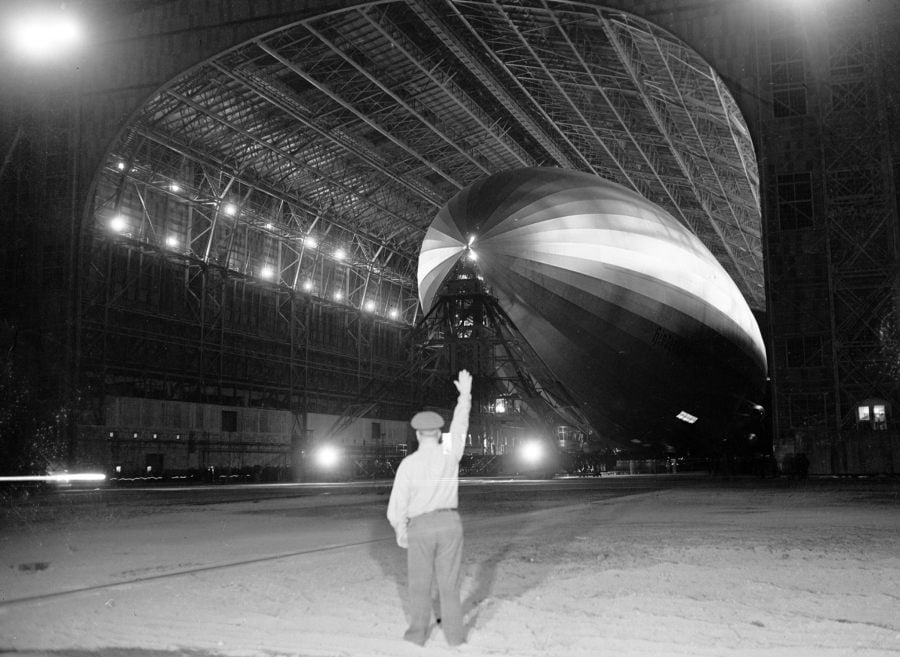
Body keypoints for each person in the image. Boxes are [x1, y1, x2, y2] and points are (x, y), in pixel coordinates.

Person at [387, 369, 472, 647]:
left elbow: (397, 504)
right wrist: (464, 396)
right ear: (437, 433)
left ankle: (417, 635)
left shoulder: (408, 464)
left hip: (420, 528)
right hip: (449, 525)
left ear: (418, 434)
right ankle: (456, 637)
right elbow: (459, 428)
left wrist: (401, 530)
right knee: (449, 586)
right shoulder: (450, 456)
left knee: (419, 585)